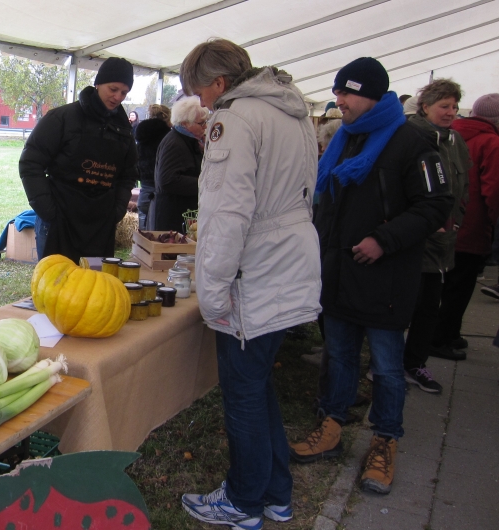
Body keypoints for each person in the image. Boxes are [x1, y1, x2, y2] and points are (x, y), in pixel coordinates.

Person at [176, 39, 321, 530]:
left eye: (203, 95)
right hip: (289, 260)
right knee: (258, 388)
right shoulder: (292, 111)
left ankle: (243, 500)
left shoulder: (235, 119)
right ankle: (275, 494)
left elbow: (226, 216)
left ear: (219, 83)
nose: (205, 106)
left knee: (242, 393)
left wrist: (212, 293)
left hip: (256, 273)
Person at [290, 57, 451, 496]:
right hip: (340, 272)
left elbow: (435, 206)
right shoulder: (345, 139)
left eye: (348, 92)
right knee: (338, 355)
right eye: (338, 91)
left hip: (386, 278)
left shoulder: (412, 142)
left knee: (385, 366)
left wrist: (384, 238)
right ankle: (332, 424)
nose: (338, 99)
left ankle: (385, 440)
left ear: (375, 96)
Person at [19, 57, 138, 263]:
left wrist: (116, 211)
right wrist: (49, 210)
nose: (117, 97)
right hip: (59, 220)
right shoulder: (62, 118)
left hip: (101, 224)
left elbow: (128, 176)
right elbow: (31, 163)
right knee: (56, 285)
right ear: (98, 83)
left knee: (94, 285)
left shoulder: (123, 130)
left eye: (124, 93)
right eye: (113, 89)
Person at [401, 79, 470, 393]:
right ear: (425, 106)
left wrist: (457, 221)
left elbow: (463, 187)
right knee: (406, 306)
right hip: (415, 240)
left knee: (429, 308)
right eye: (444, 106)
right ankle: (388, 365)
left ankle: (414, 363)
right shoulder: (410, 136)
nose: (451, 112)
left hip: (443, 242)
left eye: (454, 107)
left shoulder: (456, 141)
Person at [432, 95, 499, 351]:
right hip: (472, 225)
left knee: (440, 285)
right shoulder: (492, 142)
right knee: (460, 287)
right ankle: (444, 337)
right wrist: (491, 224)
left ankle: (436, 333)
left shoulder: (450, 134)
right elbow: (493, 191)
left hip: (443, 221)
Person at [149, 97, 206, 231]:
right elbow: (167, 180)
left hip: (179, 213)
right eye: (201, 123)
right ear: (185, 123)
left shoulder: (187, 141)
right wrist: (204, 183)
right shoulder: (175, 143)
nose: (205, 127)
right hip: (173, 218)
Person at [135, 104, 171, 229]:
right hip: (162, 192)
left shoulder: (141, 137)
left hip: (144, 189)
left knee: (143, 238)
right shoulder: (169, 138)